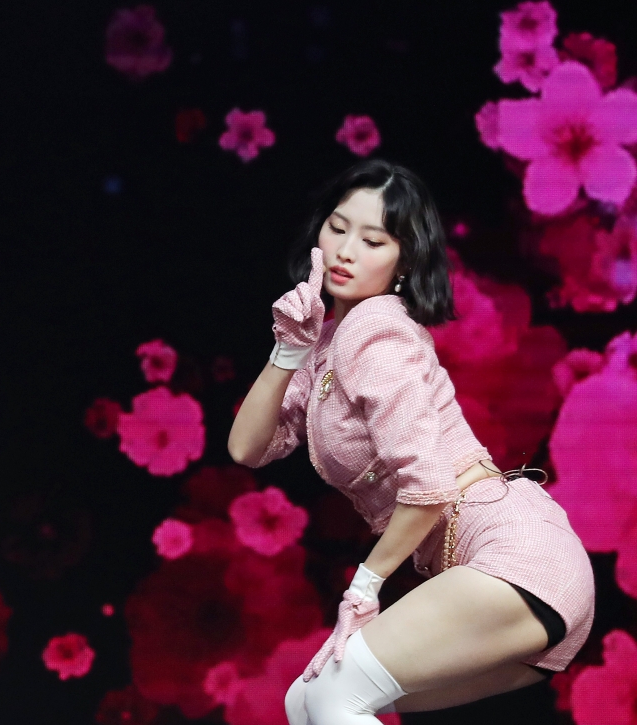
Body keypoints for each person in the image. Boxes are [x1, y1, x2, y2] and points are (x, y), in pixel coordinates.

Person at [228, 159, 594, 725]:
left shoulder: (375, 330)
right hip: (513, 568)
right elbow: (247, 449)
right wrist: (288, 352)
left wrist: (363, 589)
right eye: (338, 227)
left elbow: (427, 486)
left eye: (373, 240)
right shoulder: (326, 343)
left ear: (404, 262)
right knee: (305, 701)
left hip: (518, 556)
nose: (346, 250)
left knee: (330, 698)